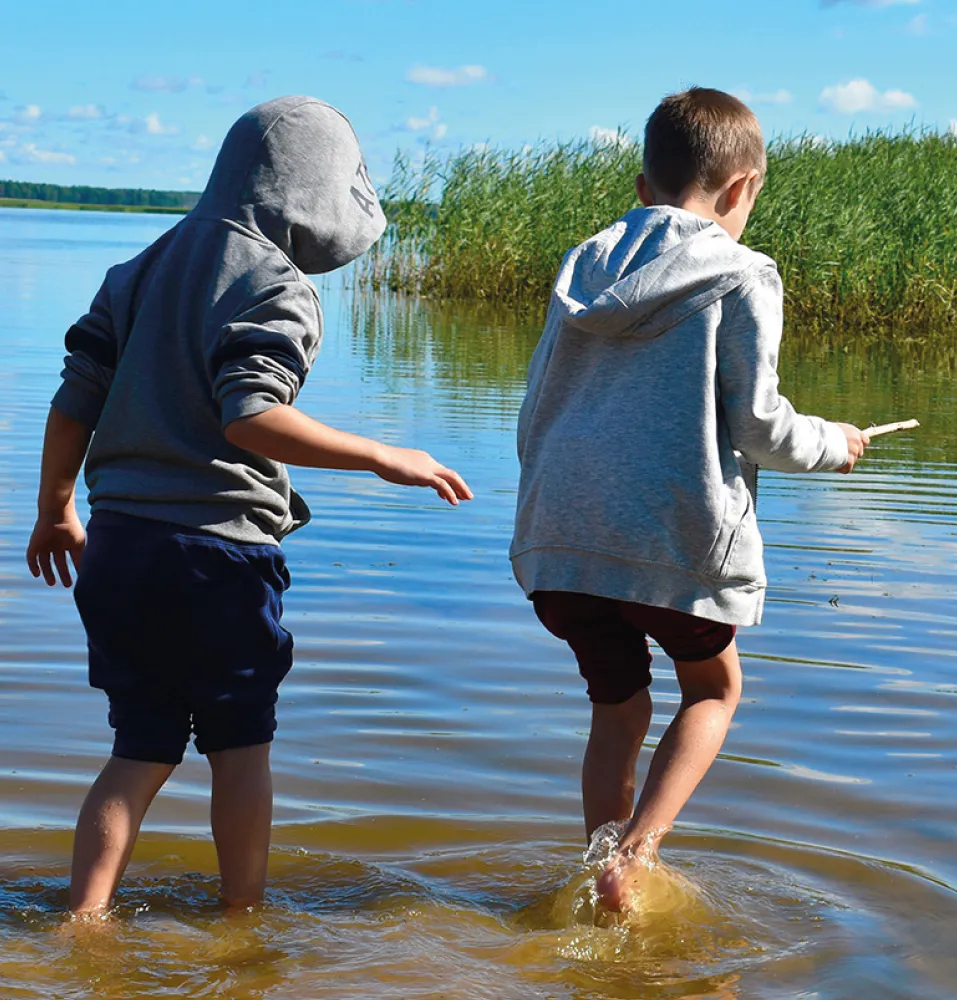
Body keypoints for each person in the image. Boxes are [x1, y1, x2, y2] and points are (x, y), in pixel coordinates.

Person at [25, 96, 472, 915]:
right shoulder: (275, 281)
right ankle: (244, 924)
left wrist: (56, 507)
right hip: (216, 556)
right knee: (240, 749)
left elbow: (74, 397)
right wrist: (381, 455)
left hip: (119, 545)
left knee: (138, 749)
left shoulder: (137, 270)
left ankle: (82, 923)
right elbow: (249, 412)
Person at [510, 88, 868, 912]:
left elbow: (535, 408)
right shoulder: (743, 275)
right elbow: (761, 424)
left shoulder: (581, 272)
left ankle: (599, 864)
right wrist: (833, 443)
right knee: (714, 689)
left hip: (561, 539)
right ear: (742, 189)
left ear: (643, 187)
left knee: (618, 704)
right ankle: (633, 858)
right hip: (673, 539)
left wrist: (547, 509)